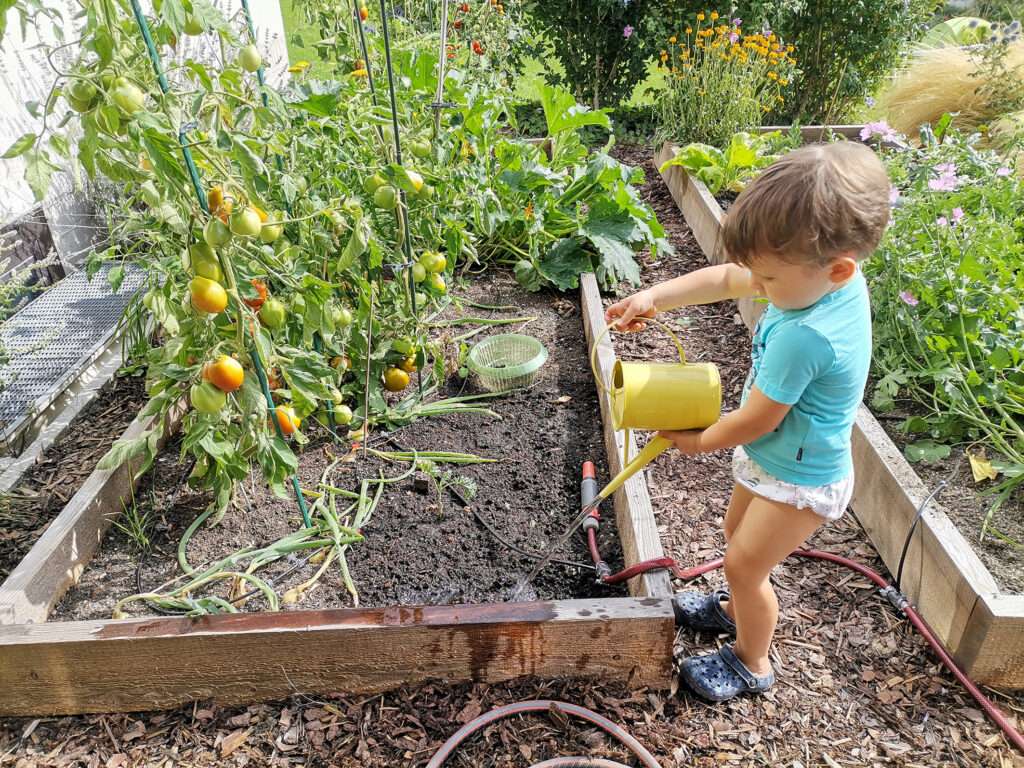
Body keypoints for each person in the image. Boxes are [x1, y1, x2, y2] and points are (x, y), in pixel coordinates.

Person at [604, 141, 891, 702]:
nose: (756, 287)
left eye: (768, 280)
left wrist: (698, 442)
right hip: (777, 457)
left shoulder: (806, 336)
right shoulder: (816, 280)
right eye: (756, 273)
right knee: (738, 539)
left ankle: (751, 661)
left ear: (837, 269)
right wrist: (654, 297)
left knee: (744, 564)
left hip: (801, 476)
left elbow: (757, 419)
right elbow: (727, 279)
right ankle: (733, 607)